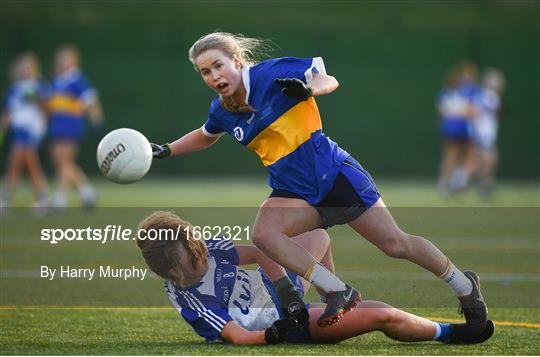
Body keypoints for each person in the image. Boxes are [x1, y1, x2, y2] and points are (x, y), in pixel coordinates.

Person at [150, 32, 488, 331]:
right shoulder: (222, 108)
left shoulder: (271, 73)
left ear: (236, 60)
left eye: (218, 66)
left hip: (334, 175)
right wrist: (165, 150)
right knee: (265, 234)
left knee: (395, 245)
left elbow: (328, 79)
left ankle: (464, 285)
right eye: (205, 72)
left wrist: (309, 89)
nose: (213, 76)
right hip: (293, 189)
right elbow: (206, 135)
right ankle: (337, 290)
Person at [136, 211, 494, 345]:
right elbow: (240, 337)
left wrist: (287, 291)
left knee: (318, 238)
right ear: (173, 272)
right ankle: (451, 334)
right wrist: (275, 332)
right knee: (382, 314)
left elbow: (262, 251)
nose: (204, 254)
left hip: (280, 299)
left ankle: (331, 301)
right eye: (194, 257)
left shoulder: (204, 249)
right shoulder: (192, 299)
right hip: (279, 323)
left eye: (198, 245)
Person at [48, 44, 104, 208]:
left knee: (64, 160)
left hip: (71, 126)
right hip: (58, 126)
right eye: (61, 58)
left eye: (67, 58)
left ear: (74, 60)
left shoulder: (78, 80)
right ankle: (87, 192)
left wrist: (97, 122)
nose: (63, 62)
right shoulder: (57, 80)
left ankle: (60, 199)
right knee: (62, 161)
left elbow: (91, 101)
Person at [0, 52, 50, 213]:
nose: (25, 71)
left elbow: (48, 110)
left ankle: (6, 198)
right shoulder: (14, 89)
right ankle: (43, 198)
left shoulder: (41, 86)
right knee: (29, 163)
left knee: (15, 160)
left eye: (28, 68)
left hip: (33, 130)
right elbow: (8, 112)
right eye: (23, 68)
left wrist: (37, 100)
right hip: (18, 130)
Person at [437, 61, 480, 195]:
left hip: (450, 128)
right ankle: (458, 179)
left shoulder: (446, 93)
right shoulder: (469, 92)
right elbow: (473, 112)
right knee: (472, 156)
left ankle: (445, 183)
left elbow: (441, 112)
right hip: (463, 128)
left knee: (451, 156)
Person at [471, 68, 505, 198]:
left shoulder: (483, 95)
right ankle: (483, 184)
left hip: (482, 132)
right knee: (489, 158)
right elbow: (489, 111)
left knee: (481, 160)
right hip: (485, 133)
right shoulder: (491, 96)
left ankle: (483, 184)